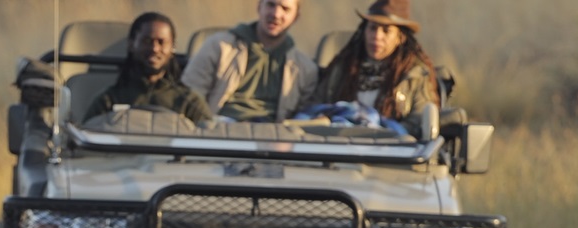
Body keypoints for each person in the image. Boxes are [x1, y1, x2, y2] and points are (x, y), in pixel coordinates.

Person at [181, 0, 318, 122]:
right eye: (271, 5)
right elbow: (190, 94)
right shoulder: (219, 46)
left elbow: (303, 120)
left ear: (296, 17)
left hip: (274, 136)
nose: (276, 14)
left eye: (285, 9)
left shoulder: (305, 69)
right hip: (221, 128)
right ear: (259, 7)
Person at [315, 0, 440, 133]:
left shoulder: (415, 76)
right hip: (337, 144)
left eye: (386, 31)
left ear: (400, 37)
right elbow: (316, 106)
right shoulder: (341, 68)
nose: (377, 36)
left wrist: (384, 131)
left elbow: (419, 121)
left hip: (393, 149)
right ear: (364, 30)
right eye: (372, 28)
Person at [84, 12, 213, 124]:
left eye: (161, 42)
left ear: (172, 47)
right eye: (147, 41)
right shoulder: (109, 100)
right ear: (131, 44)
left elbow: (210, 141)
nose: (154, 49)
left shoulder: (189, 102)